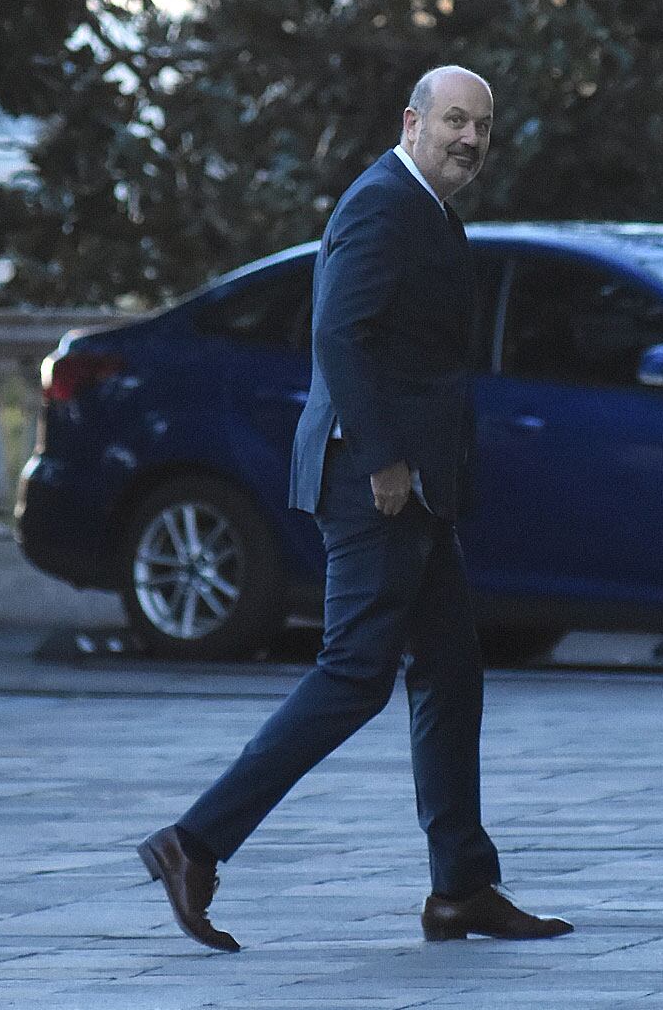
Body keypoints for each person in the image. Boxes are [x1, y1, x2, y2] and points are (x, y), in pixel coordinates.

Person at [137, 66, 572, 950]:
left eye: (482, 126)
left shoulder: (432, 212)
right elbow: (339, 333)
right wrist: (383, 461)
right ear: (412, 120)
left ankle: (461, 889)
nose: (469, 139)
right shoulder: (382, 204)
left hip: (415, 485)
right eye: (455, 120)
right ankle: (194, 844)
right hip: (375, 481)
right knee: (353, 674)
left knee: (450, 672)